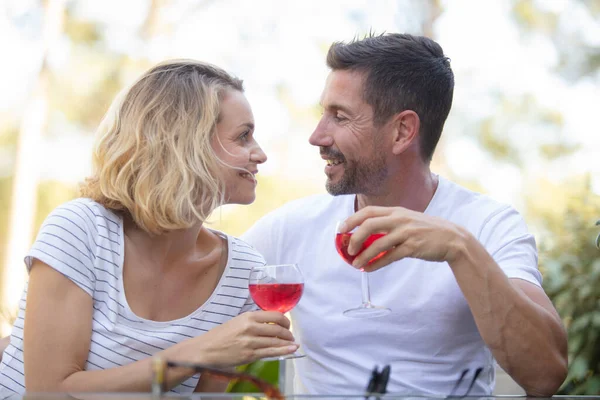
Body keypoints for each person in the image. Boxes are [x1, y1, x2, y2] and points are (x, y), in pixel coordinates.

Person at [241, 33, 568, 396]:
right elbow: (196, 311)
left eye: (340, 116)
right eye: (324, 114)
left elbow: (546, 374)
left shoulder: (488, 225)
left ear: (402, 131)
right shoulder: (290, 227)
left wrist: (459, 249)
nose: (318, 136)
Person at [0, 59, 298, 395]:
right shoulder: (83, 230)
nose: (260, 155)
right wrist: (196, 354)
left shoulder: (244, 271)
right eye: (243, 136)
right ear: (185, 142)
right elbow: (47, 393)